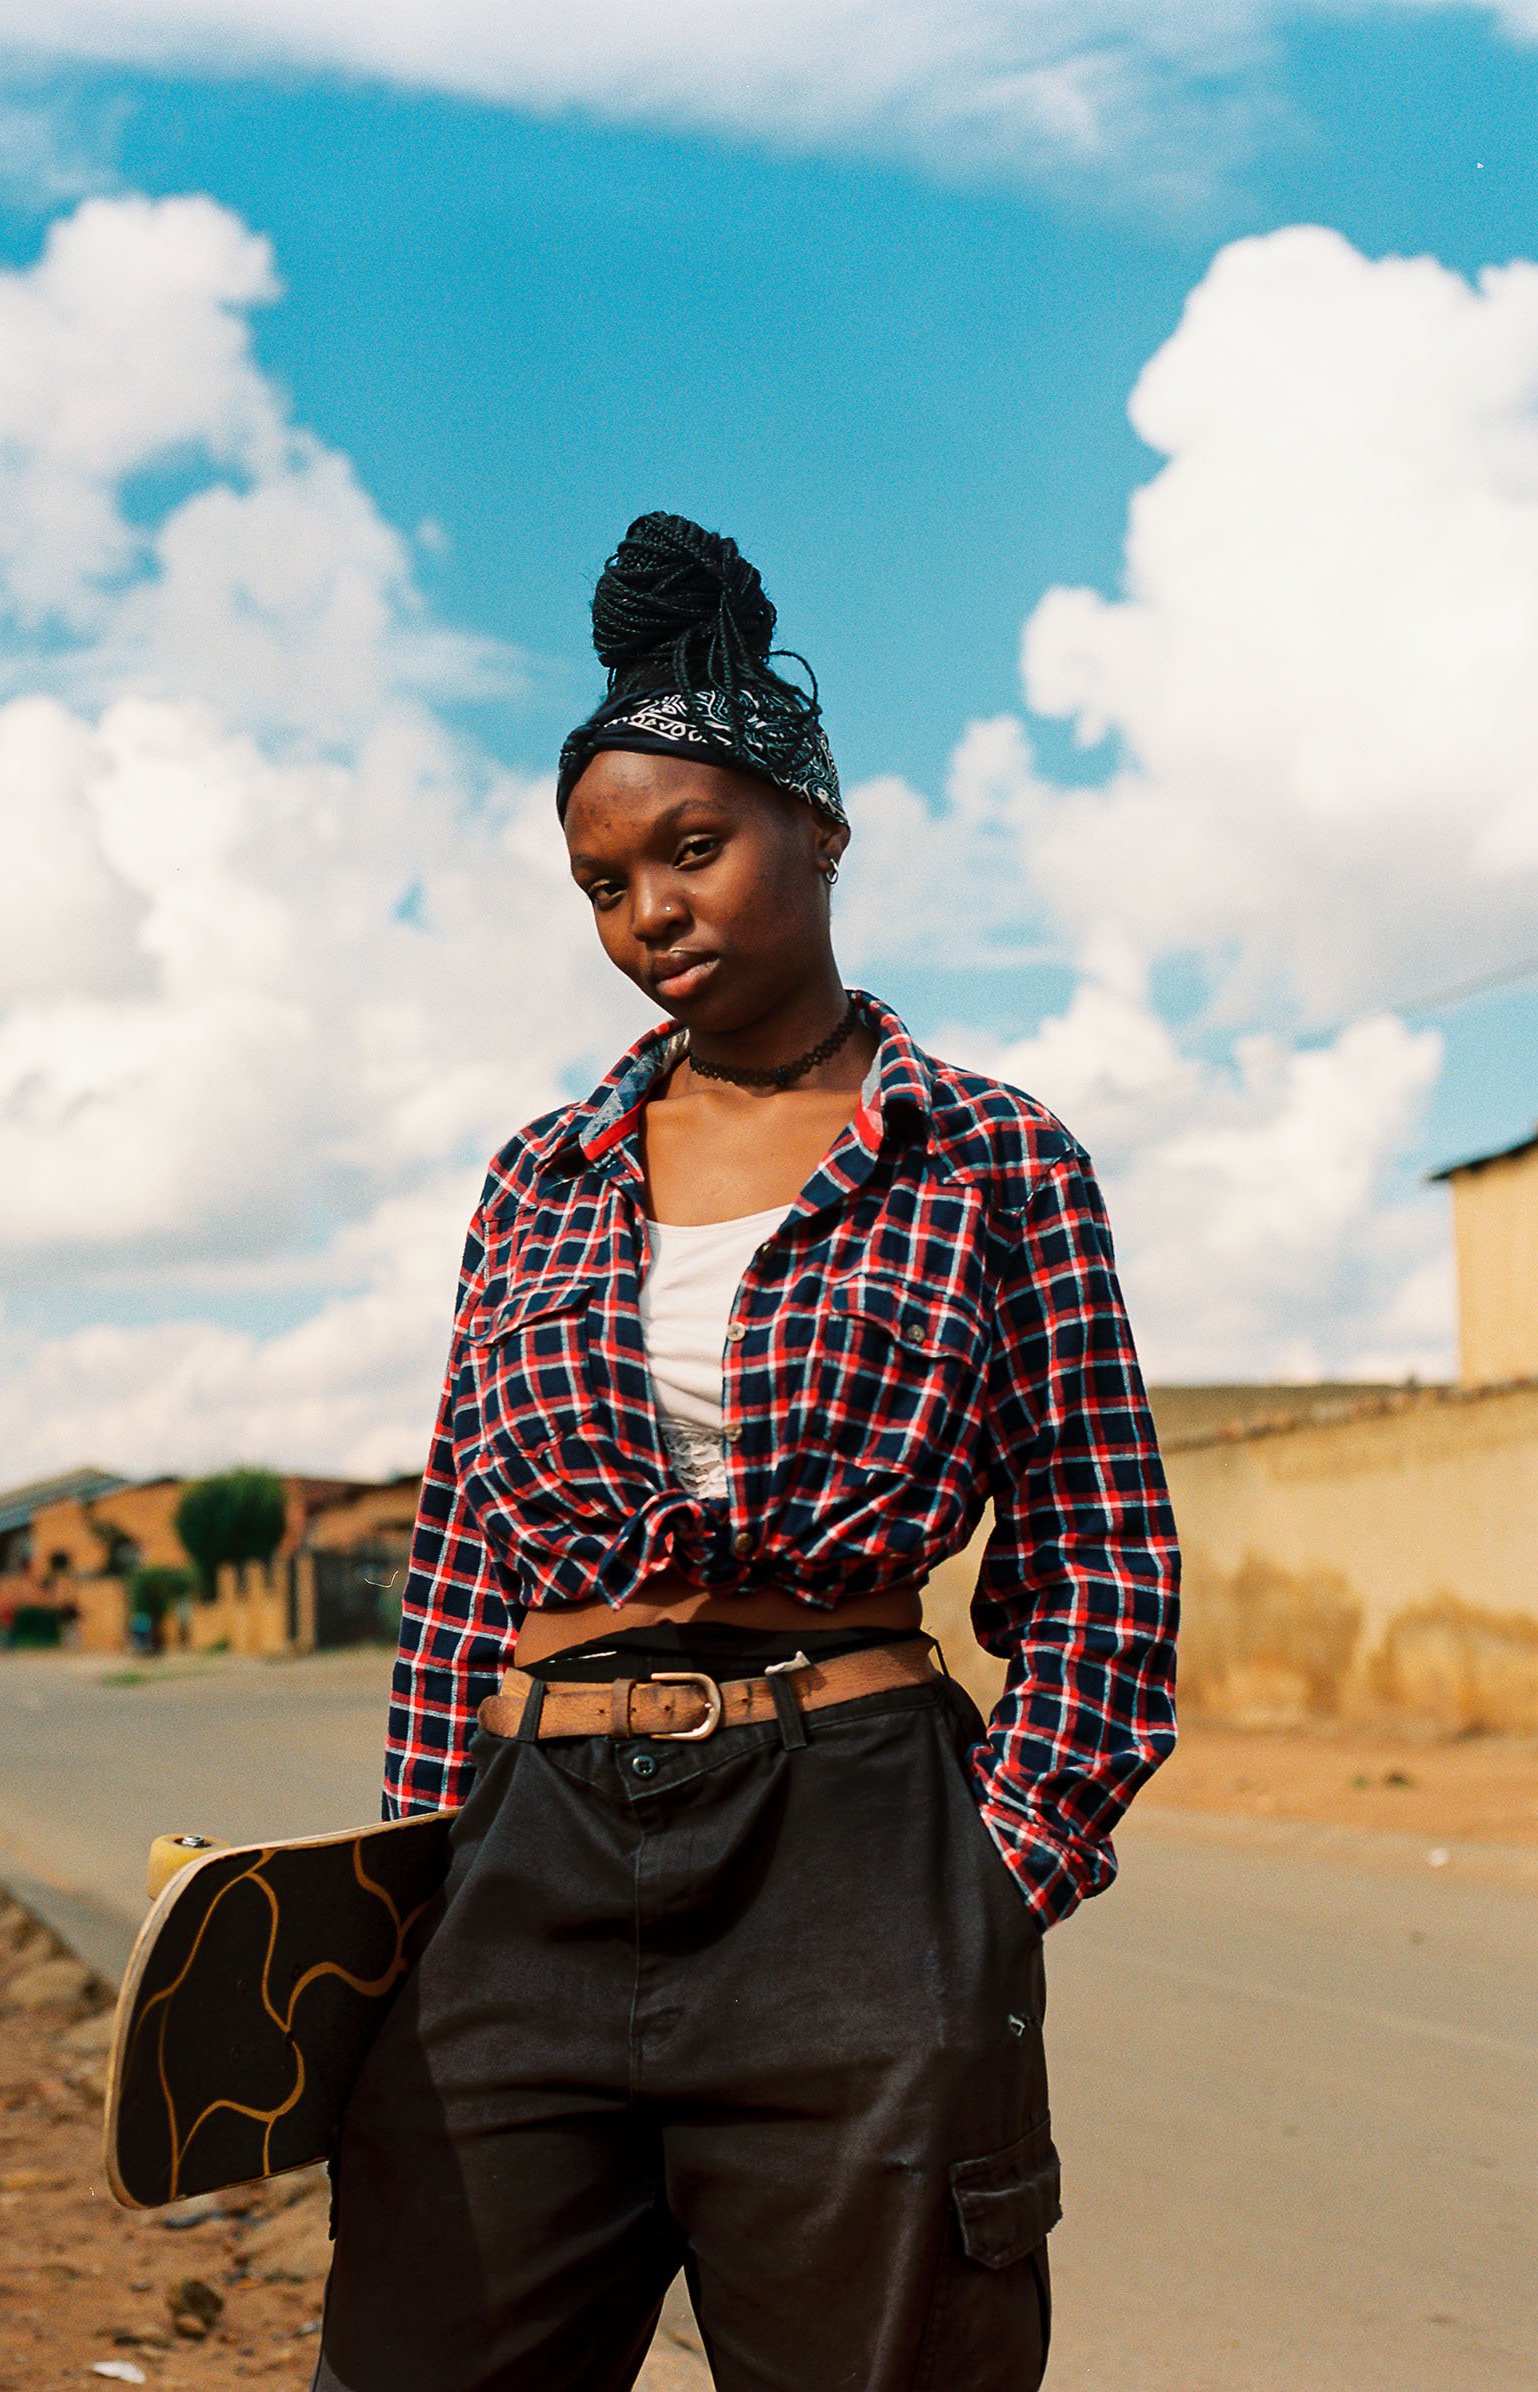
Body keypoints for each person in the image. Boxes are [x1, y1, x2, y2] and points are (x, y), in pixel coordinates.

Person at [313, 513, 1180, 2392]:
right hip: (524, 1865)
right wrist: (419, 1880)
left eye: (691, 849)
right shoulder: (536, 1181)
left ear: (821, 829)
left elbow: (1103, 1558)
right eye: (604, 884)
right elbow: (459, 1565)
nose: (650, 913)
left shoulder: (994, 1158)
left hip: (856, 1860)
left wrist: (994, 1876)